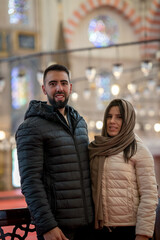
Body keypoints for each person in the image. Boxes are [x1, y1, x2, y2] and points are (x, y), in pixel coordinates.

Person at [15, 64, 95, 240]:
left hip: (88, 226)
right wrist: (47, 226)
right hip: (58, 229)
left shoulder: (80, 123)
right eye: (53, 83)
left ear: (70, 87)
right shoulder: (30, 128)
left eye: (63, 83)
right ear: (44, 89)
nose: (59, 88)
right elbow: (30, 181)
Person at [88, 98, 158, 240]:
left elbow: (149, 196)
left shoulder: (138, 150)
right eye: (109, 116)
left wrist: (143, 234)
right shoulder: (97, 148)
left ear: (128, 121)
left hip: (128, 231)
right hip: (98, 230)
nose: (112, 121)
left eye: (119, 117)